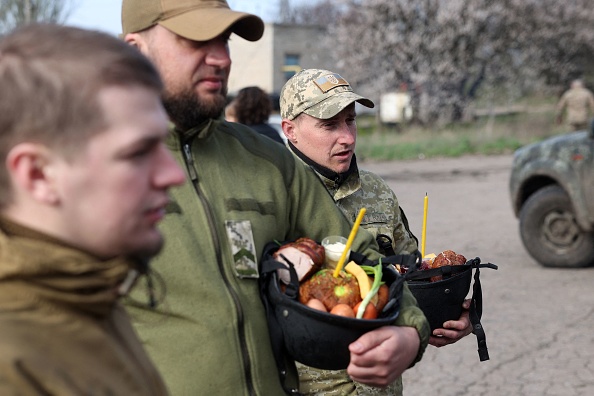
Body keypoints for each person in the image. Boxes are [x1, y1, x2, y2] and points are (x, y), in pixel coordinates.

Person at [121, 0, 430, 394]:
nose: (219, 58)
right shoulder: (82, 170)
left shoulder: (267, 161)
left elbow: (360, 256)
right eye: (194, 39)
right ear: (135, 51)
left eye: (225, 39)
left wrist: (409, 331)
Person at [0, 23, 187, 394]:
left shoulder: (85, 289)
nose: (172, 174)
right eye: (137, 153)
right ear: (39, 174)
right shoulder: (13, 358)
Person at [279, 68, 474, 395]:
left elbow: (411, 274)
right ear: (291, 130)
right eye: (329, 125)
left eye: (351, 121)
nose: (348, 137)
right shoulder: (270, 198)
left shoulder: (376, 192)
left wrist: (446, 315)